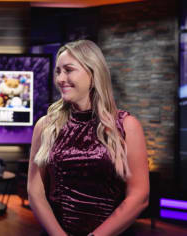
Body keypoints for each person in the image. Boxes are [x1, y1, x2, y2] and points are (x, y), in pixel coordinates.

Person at [27, 40, 149, 236]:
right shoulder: (46, 126)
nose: (60, 78)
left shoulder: (127, 126)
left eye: (68, 70)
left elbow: (139, 196)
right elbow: (35, 193)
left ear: (93, 74)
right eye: (58, 71)